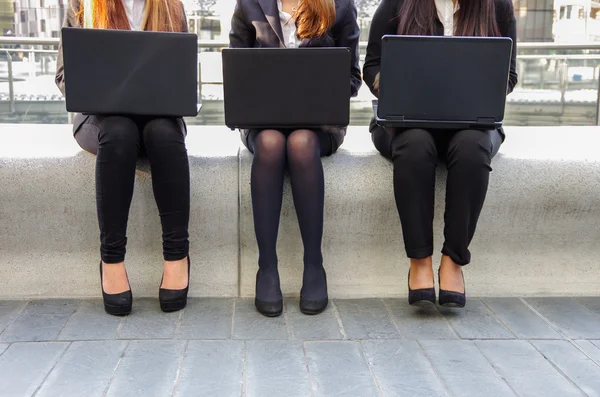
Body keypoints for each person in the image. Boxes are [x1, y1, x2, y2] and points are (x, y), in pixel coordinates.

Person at [363, 0, 518, 308]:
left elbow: (509, 74)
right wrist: (398, 85)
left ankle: (453, 261)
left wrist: (478, 88)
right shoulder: (398, 3)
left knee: (473, 148)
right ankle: (419, 260)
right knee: (415, 146)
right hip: (408, 122)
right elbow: (372, 67)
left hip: (471, 123)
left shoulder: (497, 5)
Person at [55, 0, 191, 315]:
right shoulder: (83, 4)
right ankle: (111, 259)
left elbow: (180, 71)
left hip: (158, 116)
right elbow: (64, 75)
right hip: (101, 118)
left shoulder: (170, 6)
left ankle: (177, 255)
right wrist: (106, 94)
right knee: (119, 132)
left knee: (164, 134)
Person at [230, 0, 362, 316]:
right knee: (273, 143)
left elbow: (352, 78)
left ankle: (313, 264)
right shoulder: (248, 4)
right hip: (264, 123)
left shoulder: (339, 5)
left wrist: (314, 90)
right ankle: (267, 266)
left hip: (318, 123)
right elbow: (235, 72)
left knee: (301, 142)